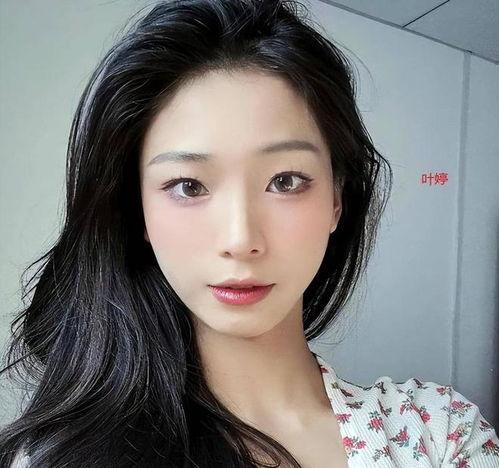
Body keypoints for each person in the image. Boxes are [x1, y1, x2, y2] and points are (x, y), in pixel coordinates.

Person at [1, 0, 498, 467]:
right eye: (188, 186)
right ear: (139, 212)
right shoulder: (55, 456)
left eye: (286, 181)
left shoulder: (437, 434)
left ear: (337, 199)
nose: (241, 239)